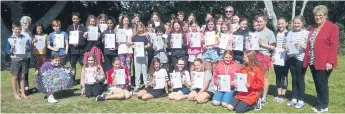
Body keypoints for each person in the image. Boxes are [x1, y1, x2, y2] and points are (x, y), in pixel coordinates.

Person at [303, 5, 339, 113]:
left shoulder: (332, 27)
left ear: (326, 16)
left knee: (322, 84)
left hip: (324, 62)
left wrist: (330, 62)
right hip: (313, 60)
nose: (318, 17)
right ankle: (319, 102)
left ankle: (323, 106)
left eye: (320, 15)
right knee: (318, 83)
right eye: (316, 15)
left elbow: (334, 46)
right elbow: (311, 44)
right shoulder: (313, 27)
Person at [284, 15, 309, 109]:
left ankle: (301, 100)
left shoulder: (306, 33)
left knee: (300, 79)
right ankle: (294, 98)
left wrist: (302, 46)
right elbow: (286, 43)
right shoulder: (290, 32)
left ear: (303, 23)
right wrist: (285, 46)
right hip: (291, 58)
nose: (296, 24)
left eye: (298, 23)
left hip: (301, 58)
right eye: (295, 23)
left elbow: (309, 47)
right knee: (293, 79)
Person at [6, 21, 31, 100]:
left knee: (22, 76)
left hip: (24, 59)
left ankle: (22, 93)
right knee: (15, 76)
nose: (17, 31)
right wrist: (11, 49)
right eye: (16, 29)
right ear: (12, 29)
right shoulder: (10, 39)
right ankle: (15, 94)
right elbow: (7, 50)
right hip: (15, 60)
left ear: (21, 29)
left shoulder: (24, 37)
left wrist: (28, 47)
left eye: (19, 29)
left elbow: (29, 47)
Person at [255, 15, 276, 104]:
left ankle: (264, 97)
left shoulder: (269, 32)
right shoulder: (256, 31)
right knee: (257, 77)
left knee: (264, 77)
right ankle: (258, 95)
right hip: (256, 55)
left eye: (261, 21)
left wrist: (263, 45)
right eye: (258, 22)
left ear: (265, 22)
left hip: (264, 56)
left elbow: (273, 47)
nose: (259, 23)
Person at [66, 12, 88, 84]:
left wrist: (85, 37)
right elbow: (67, 39)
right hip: (73, 50)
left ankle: (84, 79)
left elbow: (86, 39)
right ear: (72, 19)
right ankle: (72, 80)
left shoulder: (84, 28)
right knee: (73, 65)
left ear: (79, 19)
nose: (75, 20)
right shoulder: (69, 28)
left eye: (76, 19)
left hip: (82, 50)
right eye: (74, 19)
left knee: (83, 65)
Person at [272, 17, 289, 103]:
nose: (280, 25)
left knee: (284, 76)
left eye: (282, 23)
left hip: (285, 58)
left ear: (286, 24)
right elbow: (273, 45)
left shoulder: (289, 33)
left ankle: (283, 94)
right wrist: (272, 55)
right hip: (276, 57)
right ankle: (278, 94)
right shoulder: (275, 33)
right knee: (278, 75)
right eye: (279, 24)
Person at [132, 22, 151, 93]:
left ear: (143, 27)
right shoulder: (134, 36)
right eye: (138, 28)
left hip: (144, 53)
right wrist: (133, 46)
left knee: (144, 69)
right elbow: (131, 44)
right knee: (137, 70)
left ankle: (146, 85)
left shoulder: (146, 35)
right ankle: (137, 85)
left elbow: (149, 44)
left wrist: (147, 46)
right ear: (136, 28)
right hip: (136, 54)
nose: (140, 29)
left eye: (141, 27)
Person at [116, 15, 134, 80]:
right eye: (124, 21)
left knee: (128, 67)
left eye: (127, 21)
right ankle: (122, 82)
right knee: (122, 67)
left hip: (129, 50)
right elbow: (117, 40)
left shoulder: (131, 30)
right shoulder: (118, 29)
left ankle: (129, 82)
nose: (126, 22)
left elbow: (133, 39)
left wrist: (132, 43)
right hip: (121, 50)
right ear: (122, 21)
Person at [20, 16, 32, 92]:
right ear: (21, 23)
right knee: (21, 72)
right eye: (25, 23)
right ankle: (22, 88)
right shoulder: (19, 32)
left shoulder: (29, 32)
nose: (27, 25)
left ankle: (26, 86)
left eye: (28, 23)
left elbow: (30, 43)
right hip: (21, 55)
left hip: (28, 55)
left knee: (26, 71)